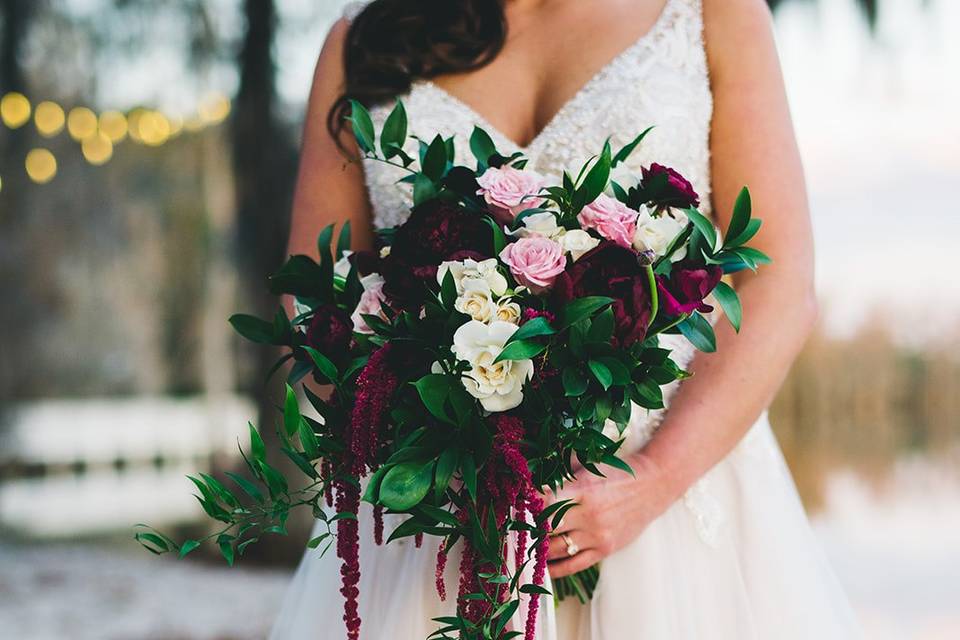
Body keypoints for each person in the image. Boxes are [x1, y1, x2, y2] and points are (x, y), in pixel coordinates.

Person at [271, 1, 862, 637]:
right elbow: (315, 296)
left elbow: (778, 278)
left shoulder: (710, 12)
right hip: (442, 525)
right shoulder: (363, 41)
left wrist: (652, 481)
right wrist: (438, 453)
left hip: (673, 509)